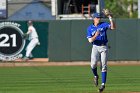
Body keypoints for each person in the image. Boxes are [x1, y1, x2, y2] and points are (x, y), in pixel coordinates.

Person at [86, 13, 116, 92]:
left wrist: (110, 18)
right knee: (93, 64)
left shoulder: (103, 24)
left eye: (100, 17)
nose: (99, 19)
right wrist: (95, 36)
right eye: (98, 17)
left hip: (104, 47)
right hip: (95, 46)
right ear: (94, 18)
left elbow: (113, 27)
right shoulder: (90, 28)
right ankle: (96, 76)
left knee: (104, 66)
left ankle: (103, 85)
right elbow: (90, 40)